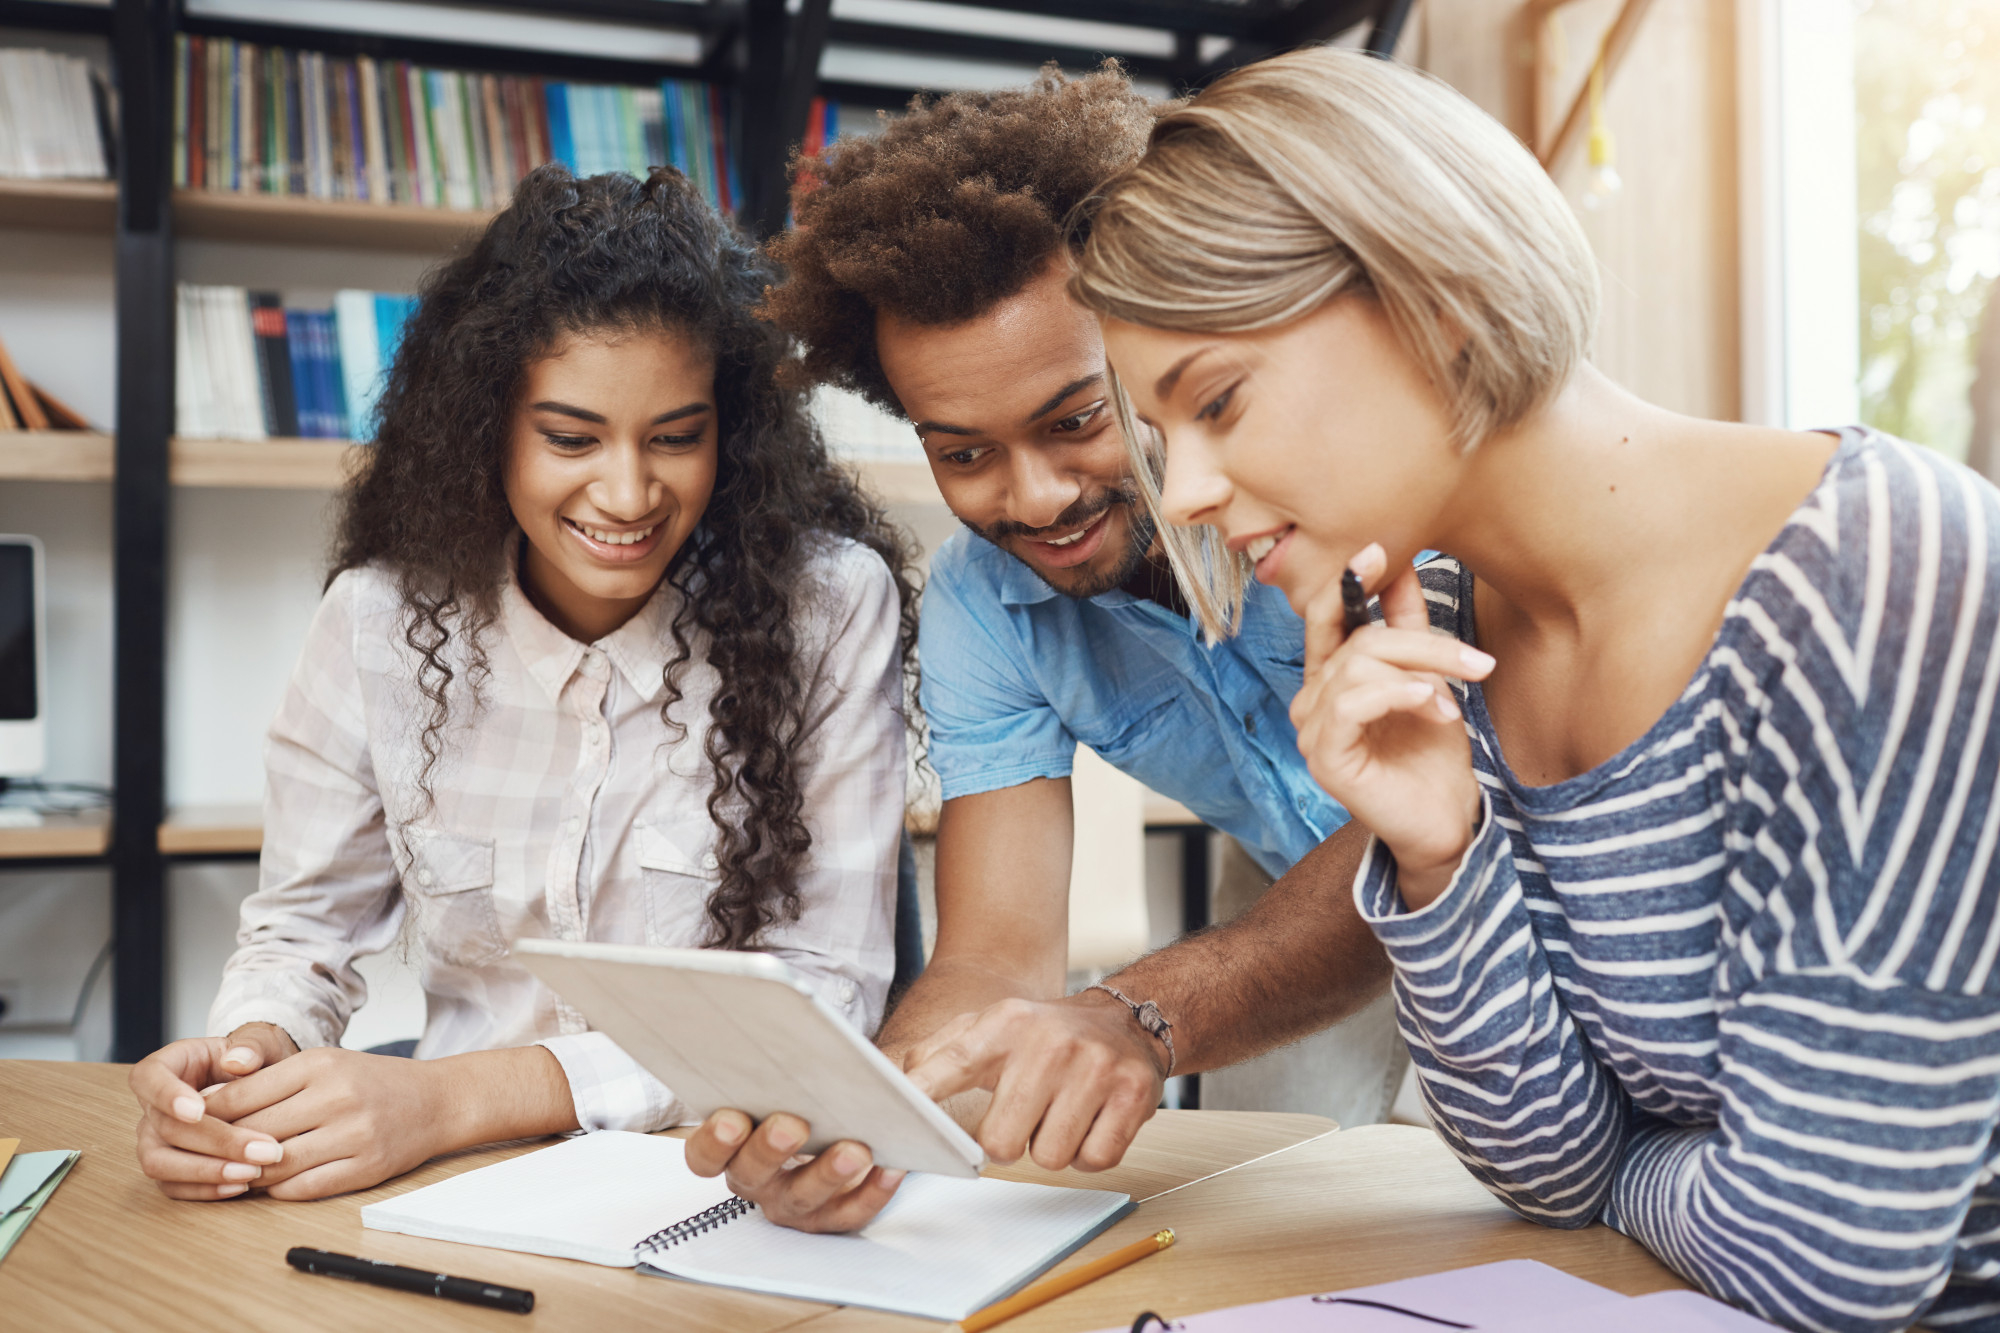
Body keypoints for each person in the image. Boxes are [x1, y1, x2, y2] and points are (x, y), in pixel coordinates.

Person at [1073, 45, 2000, 1333]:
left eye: (1217, 401)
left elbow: (1825, 1259)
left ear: (1432, 296)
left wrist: (1626, 1168)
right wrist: (1436, 854)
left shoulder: (1884, 580)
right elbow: (1543, 1170)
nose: (1178, 498)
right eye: (1165, 443)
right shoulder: (1440, 629)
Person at [684, 67, 1399, 1235]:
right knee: (1288, 1226)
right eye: (961, 453)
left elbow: (1420, 834)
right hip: (1280, 885)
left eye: (1076, 420)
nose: (1035, 498)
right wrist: (863, 1118)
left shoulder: (1333, 491)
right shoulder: (979, 611)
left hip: (1508, 867)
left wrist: (1136, 1011)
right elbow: (996, 960)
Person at [126, 164, 918, 1203]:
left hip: (719, 1187)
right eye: (569, 438)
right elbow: (303, 930)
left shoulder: (827, 607)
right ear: (482, 424)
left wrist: (451, 1099)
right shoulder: (376, 621)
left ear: (732, 434)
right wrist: (242, 1071)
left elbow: (825, 989)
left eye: (676, 437)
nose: (628, 493)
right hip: (456, 1180)